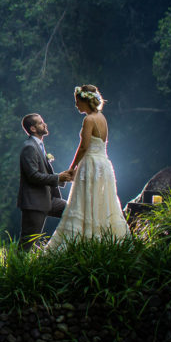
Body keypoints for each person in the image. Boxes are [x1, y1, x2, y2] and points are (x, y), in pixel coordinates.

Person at [45, 84, 130, 250]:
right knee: (101, 200)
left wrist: (72, 167)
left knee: (86, 200)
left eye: (77, 101)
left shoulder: (89, 119)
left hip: (91, 163)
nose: (76, 105)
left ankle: (86, 240)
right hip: (104, 163)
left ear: (85, 101)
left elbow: (84, 146)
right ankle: (102, 239)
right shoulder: (102, 118)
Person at [17, 112, 72, 251]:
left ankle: (67, 247)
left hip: (49, 199)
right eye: (41, 122)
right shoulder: (29, 147)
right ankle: (16, 270)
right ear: (33, 129)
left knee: (74, 210)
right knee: (27, 243)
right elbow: (33, 176)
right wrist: (58, 178)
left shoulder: (39, 146)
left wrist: (64, 178)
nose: (45, 124)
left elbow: (44, 173)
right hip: (34, 203)